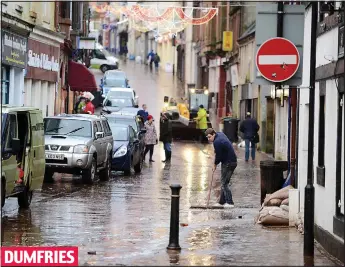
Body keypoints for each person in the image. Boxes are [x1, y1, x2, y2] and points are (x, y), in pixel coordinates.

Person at [205, 128, 237, 208]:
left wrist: (215, 164)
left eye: (209, 137)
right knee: (224, 181)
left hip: (228, 163)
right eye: (207, 137)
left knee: (224, 183)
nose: (209, 139)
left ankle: (230, 202)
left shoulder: (217, 142)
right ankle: (222, 202)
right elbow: (222, 149)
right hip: (230, 161)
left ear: (213, 134)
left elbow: (219, 156)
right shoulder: (220, 134)